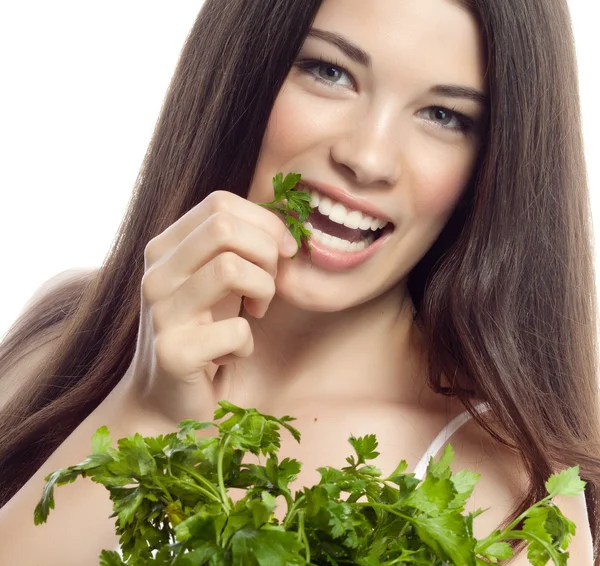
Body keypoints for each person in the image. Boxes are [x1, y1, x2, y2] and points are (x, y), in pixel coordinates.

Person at [0, 0, 597, 563]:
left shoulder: (521, 500)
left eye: (444, 116)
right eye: (330, 71)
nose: (367, 157)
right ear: (244, 69)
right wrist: (142, 414)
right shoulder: (57, 339)